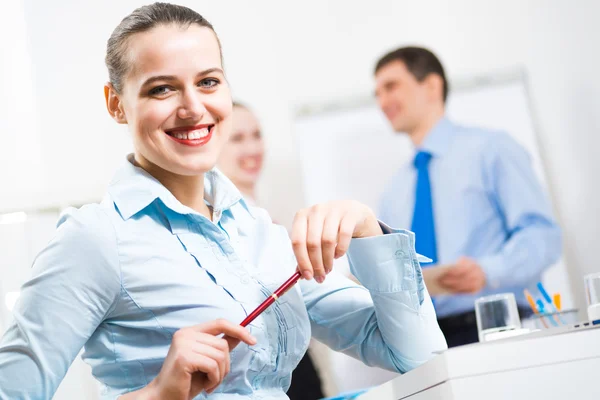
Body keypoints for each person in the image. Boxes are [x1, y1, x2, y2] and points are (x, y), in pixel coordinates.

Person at [0, 4, 446, 400]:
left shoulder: (257, 231)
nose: (194, 107)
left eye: (208, 82)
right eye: (162, 89)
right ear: (116, 104)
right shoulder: (96, 239)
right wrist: (158, 395)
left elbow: (418, 357)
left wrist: (369, 232)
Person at [374, 46, 562, 347]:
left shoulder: (492, 150)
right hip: (426, 341)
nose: (382, 102)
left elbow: (543, 236)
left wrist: (488, 271)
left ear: (432, 86)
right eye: (377, 94)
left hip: (498, 328)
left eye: (391, 87)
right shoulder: (394, 190)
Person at [218, 102, 325, 400]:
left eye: (257, 135)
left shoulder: (265, 217)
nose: (252, 148)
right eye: (237, 139)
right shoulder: (220, 225)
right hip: (258, 370)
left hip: (297, 363)